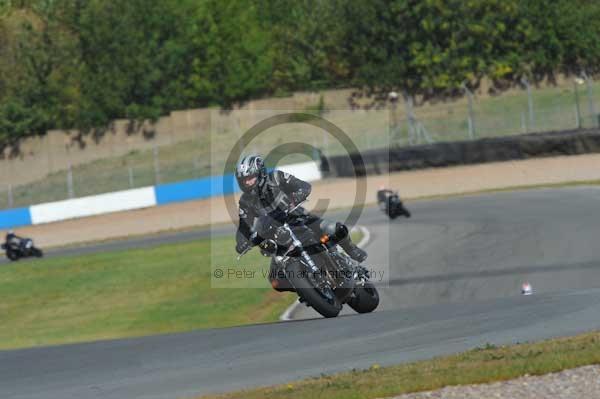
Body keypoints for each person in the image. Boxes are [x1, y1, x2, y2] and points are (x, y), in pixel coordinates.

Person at [234, 154, 367, 290]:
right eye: (244, 180)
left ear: (260, 173)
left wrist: (296, 197)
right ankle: (306, 289)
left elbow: (303, 186)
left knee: (334, 228)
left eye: (250, 178)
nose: (247, 183)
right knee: (276, 281)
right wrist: (241, 242)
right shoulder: (245, 201)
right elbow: (244, 225)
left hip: (299, 218)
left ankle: (351, 250)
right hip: (276, 234)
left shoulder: (276, 177)